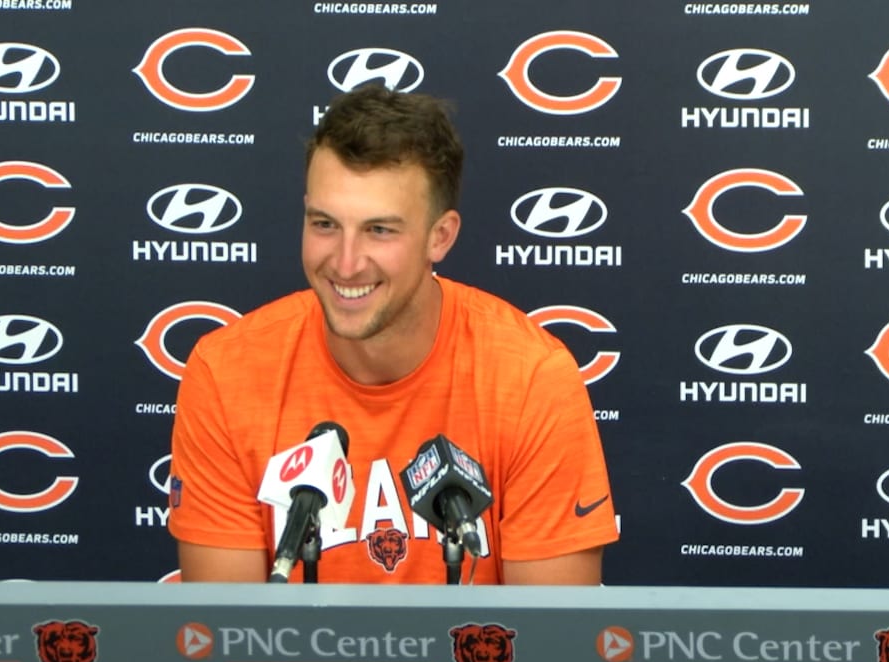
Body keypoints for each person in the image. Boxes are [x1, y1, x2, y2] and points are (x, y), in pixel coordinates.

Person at [167, 83, 618, 584]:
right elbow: (227, 645)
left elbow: (553, 645)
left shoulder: (532, 381)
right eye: (324, 224)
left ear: (440, 237)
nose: (345, 262)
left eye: (380, 230)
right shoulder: (227, 373)